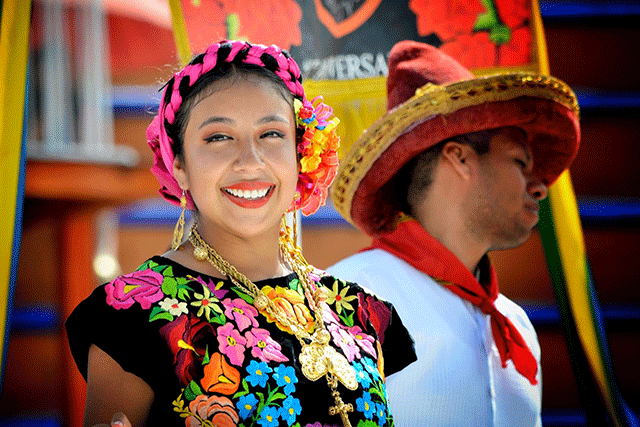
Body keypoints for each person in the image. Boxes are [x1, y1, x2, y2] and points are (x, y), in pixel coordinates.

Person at [66, 40, 416, 427]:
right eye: (218, 137)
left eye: (271, 134)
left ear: (300, 154)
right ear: (178, 164)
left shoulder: (362, 312)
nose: (251, 162)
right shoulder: (131, 318)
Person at [328, 40, 580, 427]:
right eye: (519, 162)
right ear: (459, 158)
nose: (539, 186)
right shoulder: (348, 299)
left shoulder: (517, 326)